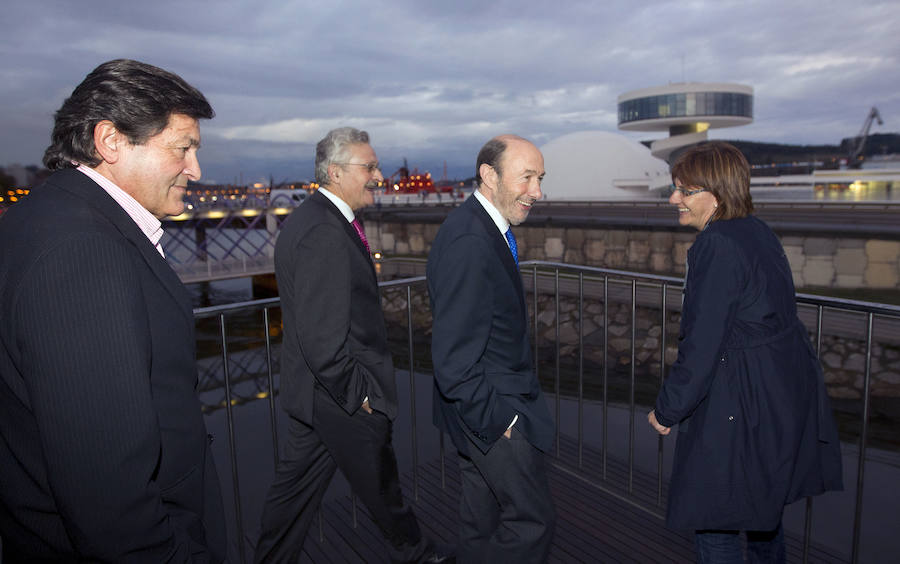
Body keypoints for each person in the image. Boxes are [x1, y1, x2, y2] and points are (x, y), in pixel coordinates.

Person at [0, 59, 226, 562]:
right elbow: (107, 488)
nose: (195, 170)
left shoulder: (41, 218)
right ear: (111, 141)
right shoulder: (82, 250)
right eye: (182, 148)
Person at [254, 127, 452, 563]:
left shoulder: (316, 219)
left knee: (294, 495)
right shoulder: (324, 232)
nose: (379, 175)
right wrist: (358, 393)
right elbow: (322, 335)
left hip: (314, 394)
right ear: (337, 172)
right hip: (339, 396)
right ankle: (418, 553)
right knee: (381, 481)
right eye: (370, 167)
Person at [647, 142, 843, 563]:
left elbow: (702, 343)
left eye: (684, 190)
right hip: (779, 394)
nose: (674, 199)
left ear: (714, 194)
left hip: (740, 401)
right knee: (761, 515)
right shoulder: (757, 231)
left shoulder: (716, 245)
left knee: (715, 517)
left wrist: (667, 411)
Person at [427, 135, 556, 563]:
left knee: (479, 521)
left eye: (539, 179)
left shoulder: (480, 228)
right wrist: (501, 421)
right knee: (531, 523)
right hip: (492, 410)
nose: (536, 191)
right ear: (489, 175)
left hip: (482, 409)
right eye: (526, 177)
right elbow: (453, 358)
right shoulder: (471, 241)